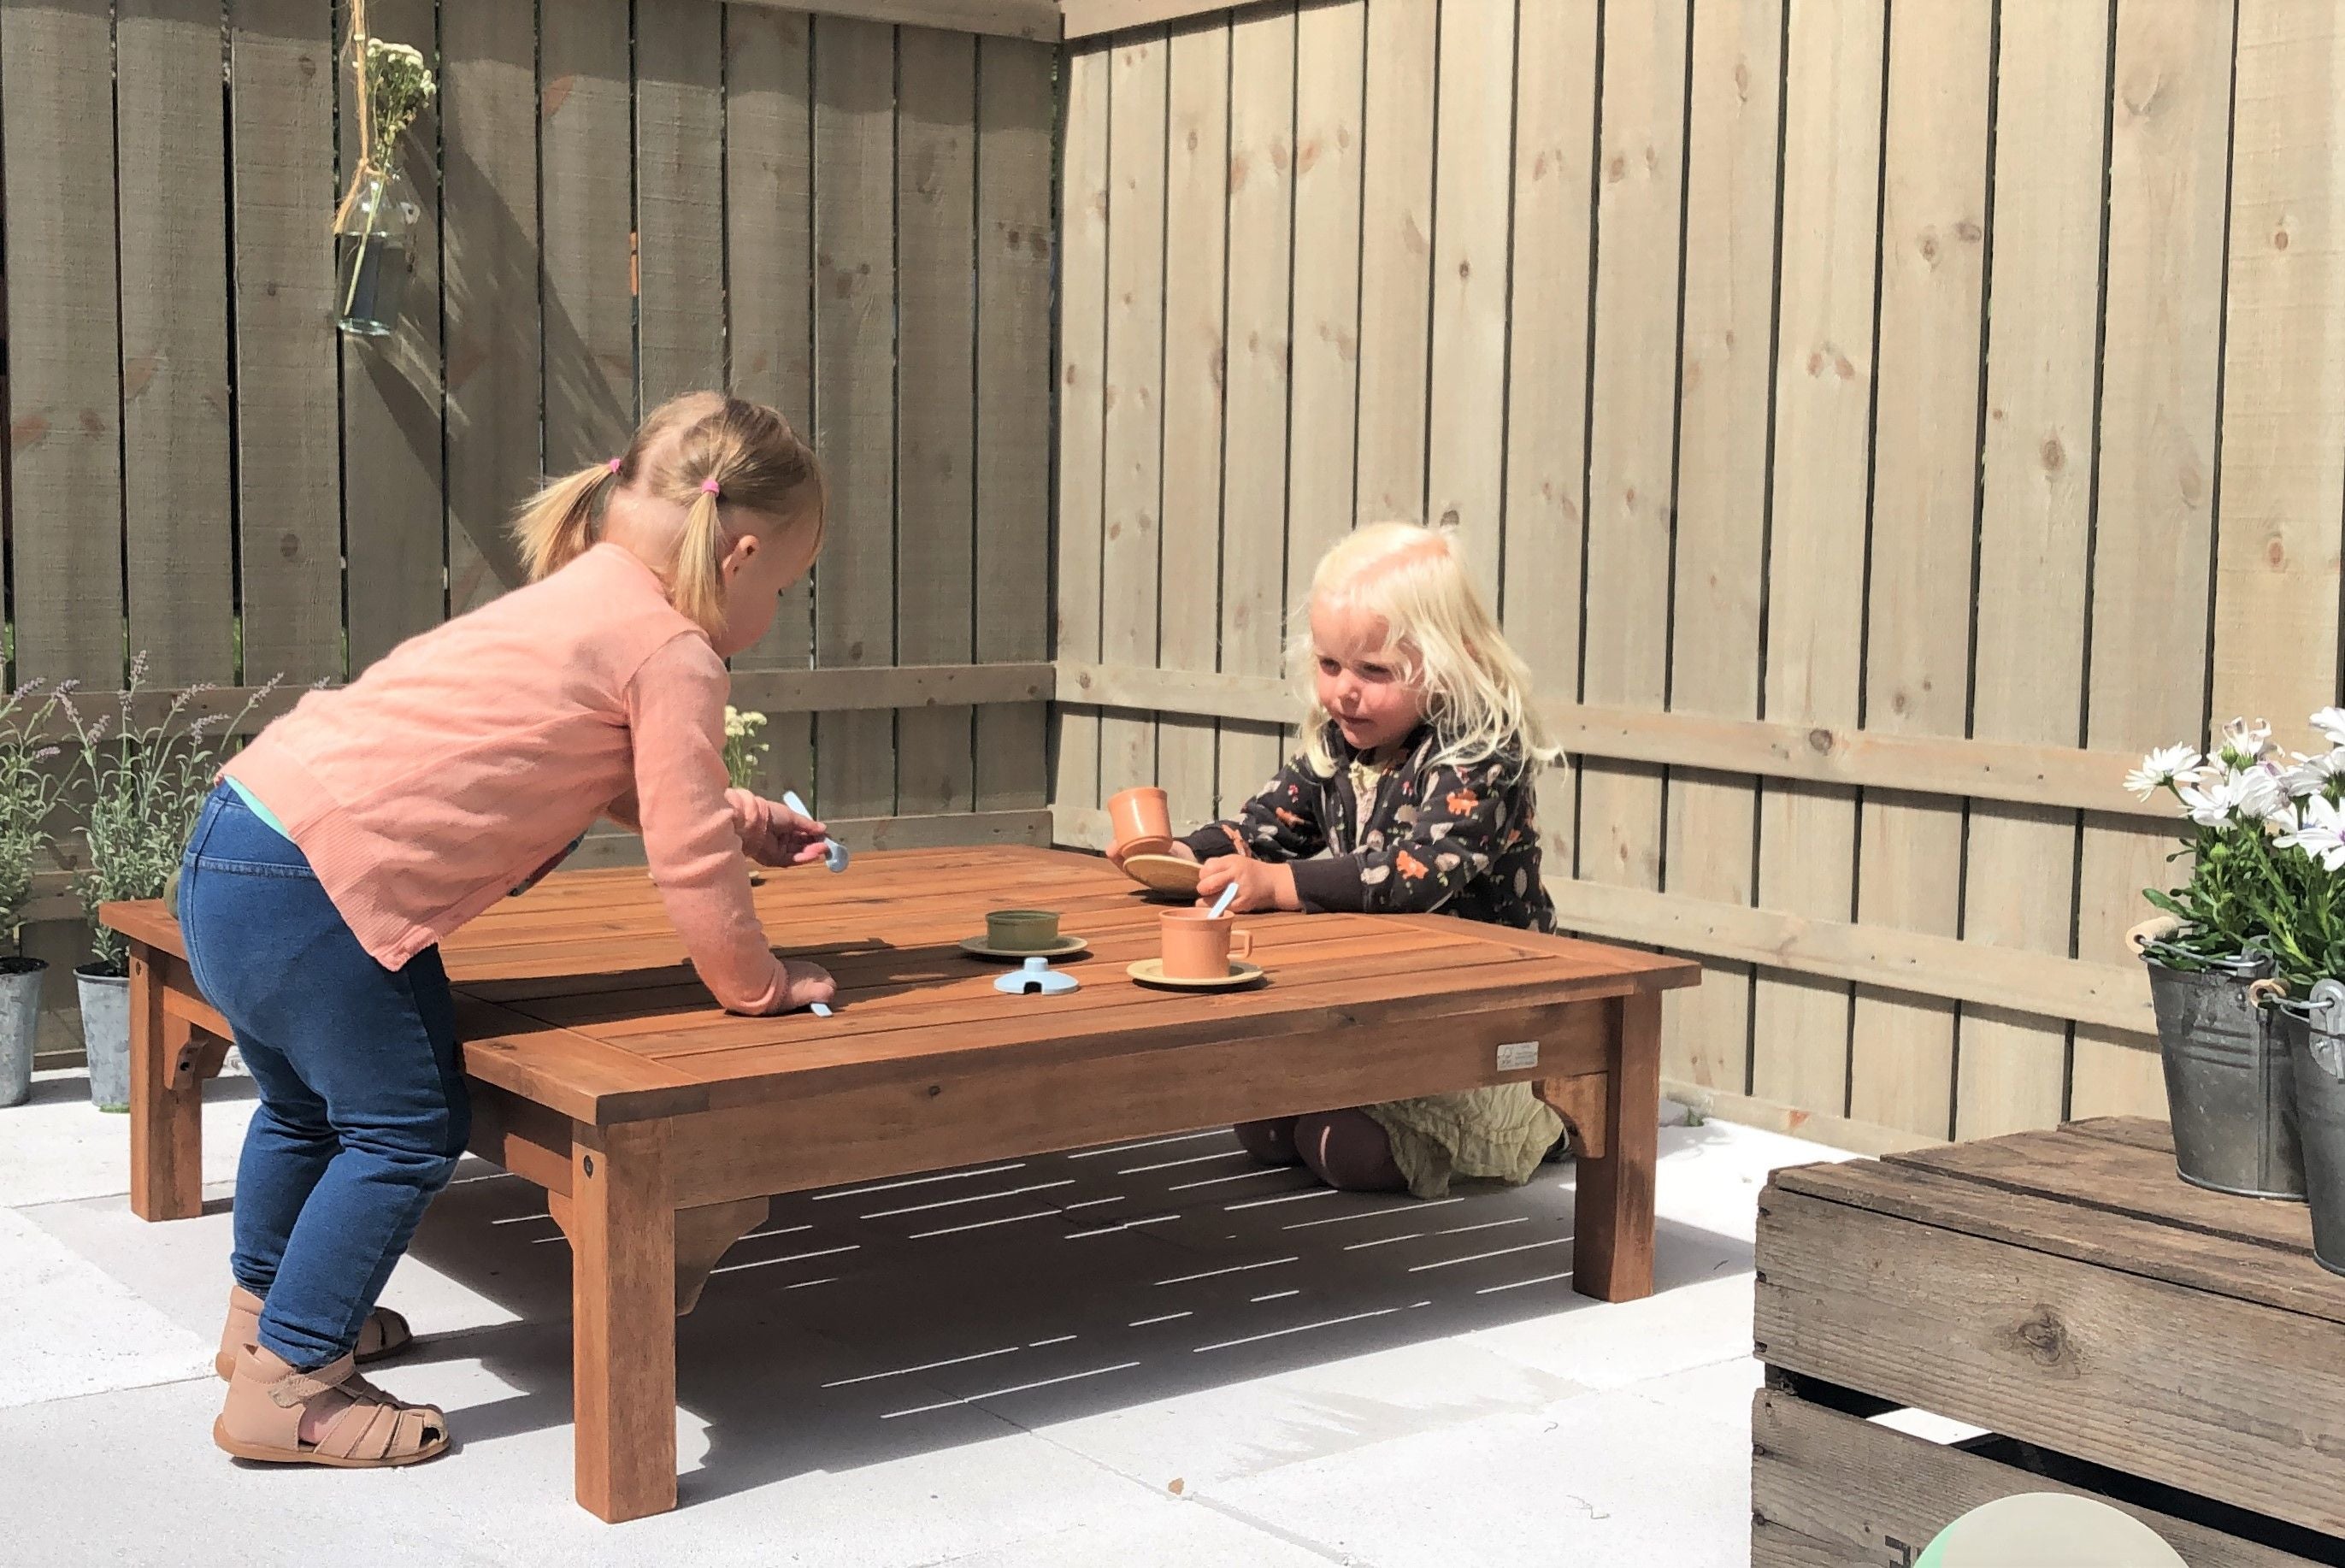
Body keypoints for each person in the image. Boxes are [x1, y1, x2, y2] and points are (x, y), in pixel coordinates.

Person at [191, 392, 836, 1468]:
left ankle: (267, 1322)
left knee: (305, 1110)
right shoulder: (672, 647)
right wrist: (756, 981)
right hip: (327, 890)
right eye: (785, 585)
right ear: (742, 553)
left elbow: (630, 783)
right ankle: (289, 1386)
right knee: (404, 1128)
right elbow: (684, 855)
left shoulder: (586, 594)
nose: (775, 603)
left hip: (245, 836)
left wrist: (749, 818)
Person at [1134, 521, 1569, 1200]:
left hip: (1485, 1020)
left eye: (1375, 672)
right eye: (1329, 664)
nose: (1344, 691)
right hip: (1388, 1004)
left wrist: (1278, 885)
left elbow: (1414, 874)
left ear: (1447, 662)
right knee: (1262, 1129)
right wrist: (1181, 854)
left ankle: (1533, 1125)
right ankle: (1363, 1099)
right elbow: (1264, 828)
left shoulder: (1480, 753)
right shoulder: (1340, 743)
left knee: (1341, 1149)